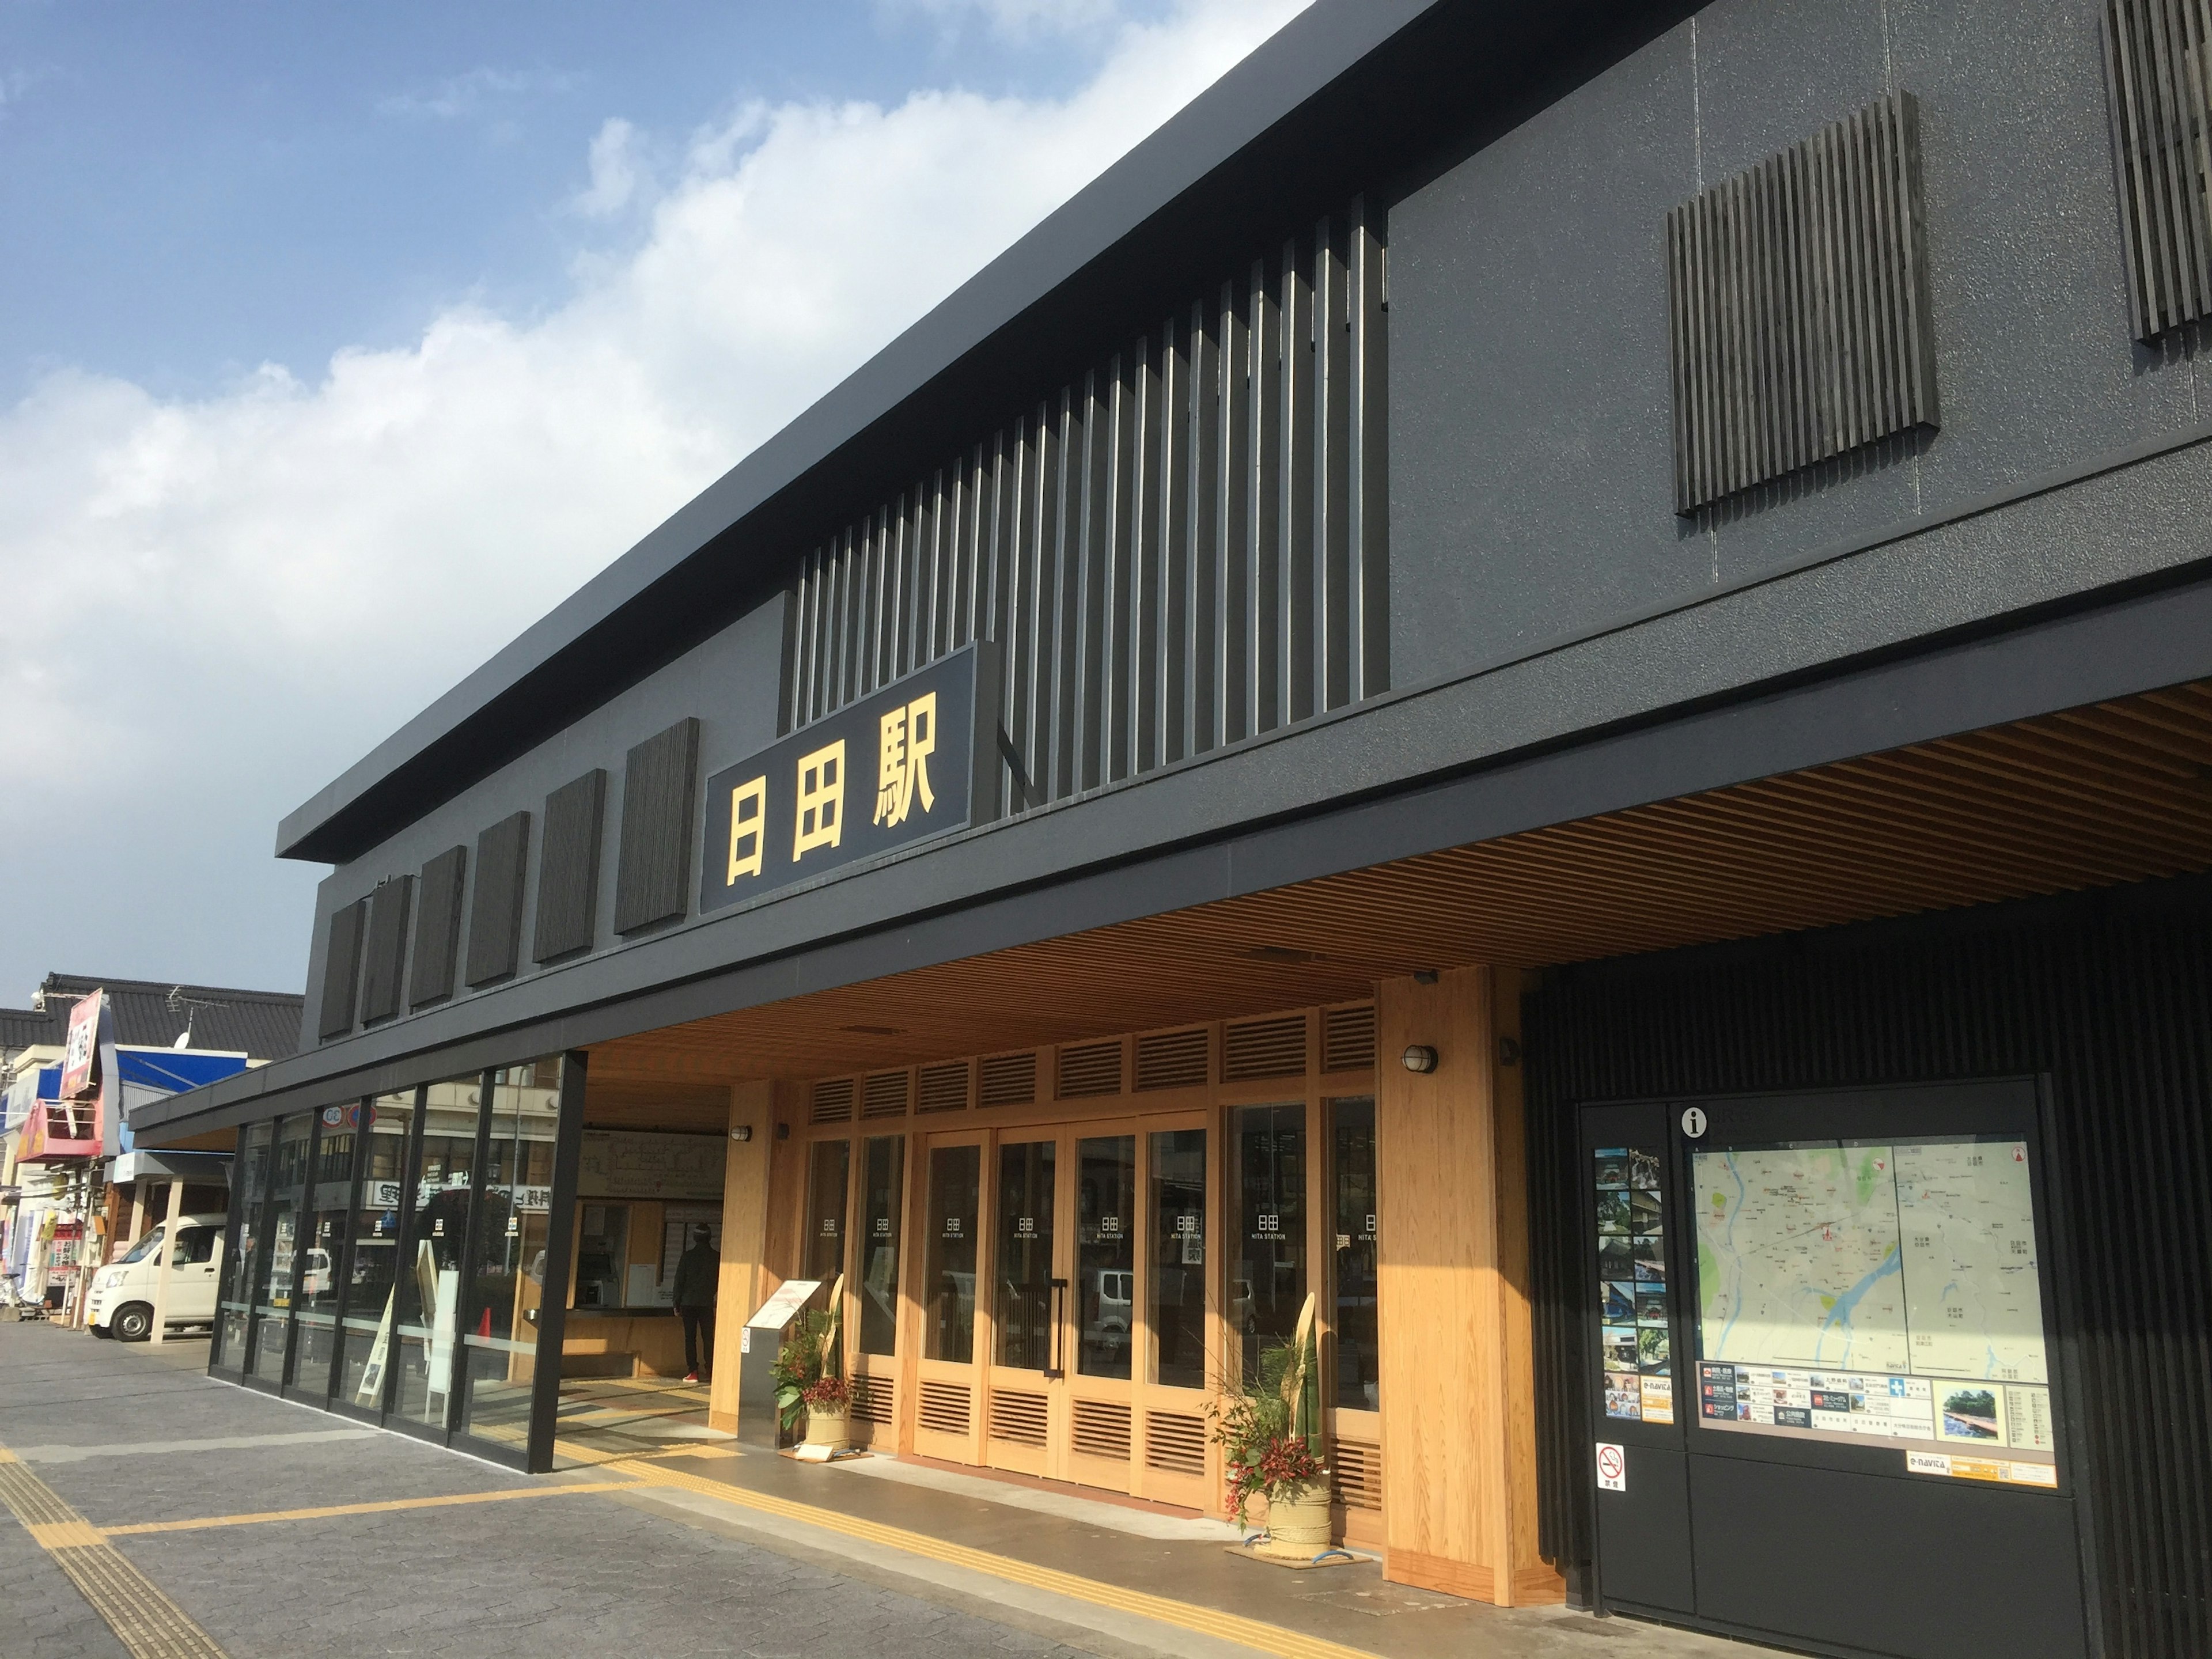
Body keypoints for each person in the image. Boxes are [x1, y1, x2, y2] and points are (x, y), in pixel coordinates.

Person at [671, 1223, 719, 1384]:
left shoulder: (688, 1257)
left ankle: (693, 1372)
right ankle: (712, 1370)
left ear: (694, 1238)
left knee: (690, 1338)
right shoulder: (717, 1257)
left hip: (688, 1303)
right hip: (707, 1303)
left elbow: (679, 1281)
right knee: (708, 1338)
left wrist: (676, 1303)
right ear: (710, 1238)